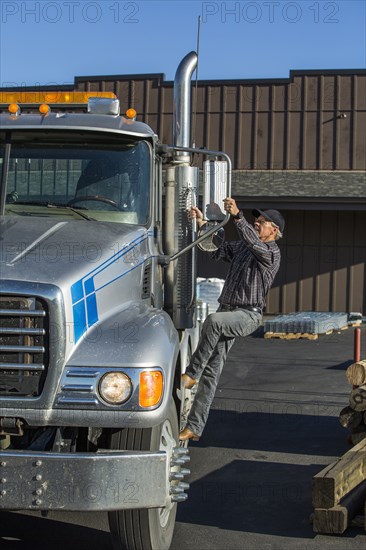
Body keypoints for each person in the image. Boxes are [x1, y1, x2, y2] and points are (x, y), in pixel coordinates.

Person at [179, 198, 285, 442]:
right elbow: (218, 249)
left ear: (274, 231)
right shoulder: (244, 247)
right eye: (256, 221)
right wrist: (204, 224)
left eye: (262, 222)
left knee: (214, 321)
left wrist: (238, 217)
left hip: (248, 315)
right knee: (212, 372)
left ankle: (191, 373)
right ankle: (194, 427)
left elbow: (251, 240)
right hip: (228, 310)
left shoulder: (271, 253)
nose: (257, 224)